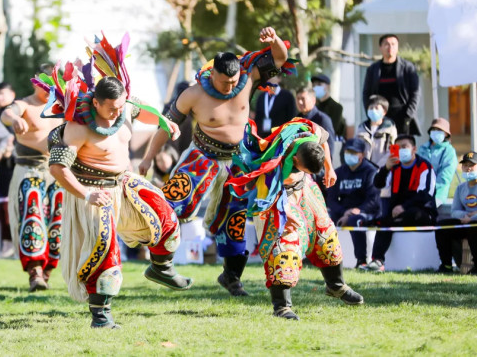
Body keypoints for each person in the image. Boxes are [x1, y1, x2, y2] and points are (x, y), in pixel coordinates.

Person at [47, 34, 191, 329]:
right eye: (110, 109)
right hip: (93, 191)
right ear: (96, 103)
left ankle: (161, 267)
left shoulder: (124, 107)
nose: (117, 113)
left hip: (124, 181)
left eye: (120, 107)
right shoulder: (77, 128)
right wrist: (86, 194)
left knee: (165, 216)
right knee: (105, 249)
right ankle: (101, 316)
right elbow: (58, 169)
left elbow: (144, 111)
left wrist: (165, 121)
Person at [140, 27, 291, 297]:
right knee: (171, 203)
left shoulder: (248, 79)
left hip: (238, 162)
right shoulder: (193, 94)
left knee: (235, 218)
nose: (230, 87)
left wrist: (275, 40)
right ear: (213, 74)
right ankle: (160, 265)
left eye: (233, 82)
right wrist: (148, 157)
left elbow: (279, 59)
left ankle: (232, 277)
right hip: (201, 156)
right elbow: (166, 125)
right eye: (224, 82)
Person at [227, 118, 363, 320]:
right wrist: (284, 214)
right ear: (297, 161)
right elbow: (265, 192)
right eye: (307, 169)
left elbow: (323, 139)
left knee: (326, 233)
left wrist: (330, 167)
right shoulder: (275, 162)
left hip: (305, 189)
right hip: (274, 197)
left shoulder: (308, 133)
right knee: (284, 246)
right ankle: (282, 307)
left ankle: (336, 285)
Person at [0, 71, 64, 291]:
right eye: (45, 85)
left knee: (59, 219)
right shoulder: (24, 105)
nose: (49, 90)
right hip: (29, 171)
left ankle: (47, 271)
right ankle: (34, 271)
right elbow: (7, 113)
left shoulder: (63, 106)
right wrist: (15, 119)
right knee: (32, 215)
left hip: (56, 171)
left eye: (53, 86)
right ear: (36, 84)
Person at [364, 135, 437, 272]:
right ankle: (377, 260)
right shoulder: (394, 167)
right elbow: (378, 184)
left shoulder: (425, 166)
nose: (401, 150)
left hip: (422, 213)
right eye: (398, 147)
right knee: (382, 222)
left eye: (404, 146)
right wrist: (385, 168)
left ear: (414, 149)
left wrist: (403, 207)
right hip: (398, 215)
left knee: (411, 214)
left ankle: (393, 223)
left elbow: (425, 195)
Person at [327, 138, 381, 269]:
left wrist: (354, 212)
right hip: (344, 211)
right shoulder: (339, 172)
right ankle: (324, 258)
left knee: (354, 221)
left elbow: (373, 200)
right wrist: (343, 212)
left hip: (365, 211)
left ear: (361, 155)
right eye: (347, 151)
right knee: (324, 219)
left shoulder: (371, 172)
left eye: (353, 152)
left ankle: (361, 260)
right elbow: (331, 199)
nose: (349, 155)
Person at [362, 34, 420, 135]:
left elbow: (415, 93)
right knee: (381, 146)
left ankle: (396, 151)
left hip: (402, 117)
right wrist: (371, 113)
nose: (390, 47)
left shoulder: (408, 68)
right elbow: (366, 93)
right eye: (387, 44)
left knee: (397, 148)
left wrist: (408, 114)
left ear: (397, 47)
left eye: (393, 44)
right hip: (380, 116)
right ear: (380, 47)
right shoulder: (373, 69)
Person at [435, 151, 477, 274]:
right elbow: (454, 211)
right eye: (465, 165)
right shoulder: (460, 188)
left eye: (471, 165)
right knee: (442, 227)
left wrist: (473, 217)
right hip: (465, 221)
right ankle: (446, 265)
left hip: (474, 224)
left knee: (474, 227)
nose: (468, 169)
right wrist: (464, 216)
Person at [0, 82, 17, 258]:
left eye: (2, 94)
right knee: (3, 207)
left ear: (12, 94)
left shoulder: (20, 111)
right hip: (0, 168)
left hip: (18, 166)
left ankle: (19, 243)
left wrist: (11, 150)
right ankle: (7, 242)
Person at [417, 118, 458, 207]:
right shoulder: (423, 148)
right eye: (434, 130)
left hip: (438, 193)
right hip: (419, 191)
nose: (436, 132)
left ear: (446, 134)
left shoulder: (449, 151)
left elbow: (444, 177)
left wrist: (432, 194)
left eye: (439, 130)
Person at [356, 95, 398, 167]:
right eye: (371, 108)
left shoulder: (390, 129)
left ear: (384, 111)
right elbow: (355, 148)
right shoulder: (361, 128)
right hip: (364, 170)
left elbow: (394, 150)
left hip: (384, 169)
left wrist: (379, 167)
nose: (373, 111)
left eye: (376, 108)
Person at [296, 86, 335, 159]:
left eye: (303, 99)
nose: (300, 102)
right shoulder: (296, 119)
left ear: (313, 100)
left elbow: (329, 147)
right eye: (298, 99)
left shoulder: (323, 119)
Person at [311, 73, 346, 139]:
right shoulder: (314, 107)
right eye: (314, 85)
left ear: (328, 86)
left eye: (319, 84)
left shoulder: (337, 107)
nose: (315, 87)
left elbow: (332, 129)